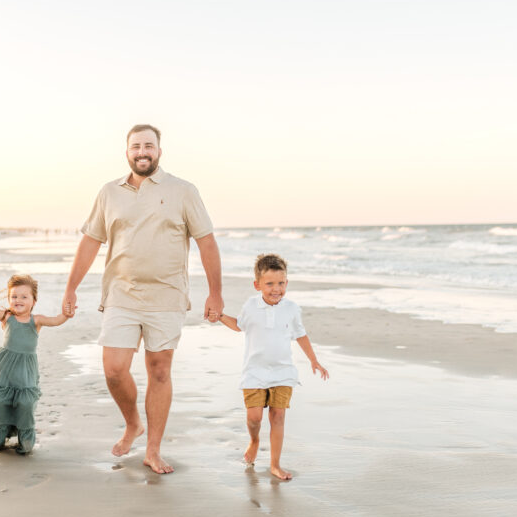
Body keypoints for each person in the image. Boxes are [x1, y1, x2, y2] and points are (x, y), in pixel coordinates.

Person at [62, 124, 224, 474]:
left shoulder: (183, 191)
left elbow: (206, 241)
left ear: (159, 151)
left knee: (159, 370)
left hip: (166, 296)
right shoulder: (109, 192)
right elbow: (91, 241)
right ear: (127, 152)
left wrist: (215, 292)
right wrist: (71, 287)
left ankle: (153, 449)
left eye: (148, 146)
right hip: (121, 293)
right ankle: (133, 423)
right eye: (136, 146)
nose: (142, 152)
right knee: (114, 369)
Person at [216, 253, 329, 480]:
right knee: (254, 418)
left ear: (286, 283)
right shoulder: (251, 306)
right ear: (257, 285)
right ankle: (254, 440)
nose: (276, 289)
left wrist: (313, 360)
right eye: (270, 284)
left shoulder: (292, 309)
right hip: (254, 372)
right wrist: (218, 316)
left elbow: (301, 335)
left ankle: (275, 465)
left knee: (278, 417)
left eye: (281, 283)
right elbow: (239, 326)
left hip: (283, 372)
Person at [0, 274, 69, 454]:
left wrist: (66, 314)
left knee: (24, 402)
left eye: (24, 297)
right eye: (14, 296)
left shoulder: (36, 320)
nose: (18, 300)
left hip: (25, 370)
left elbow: (56, 320)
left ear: (34, 301)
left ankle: (25, 439)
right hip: (3, 367)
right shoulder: (7, 317)